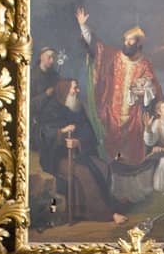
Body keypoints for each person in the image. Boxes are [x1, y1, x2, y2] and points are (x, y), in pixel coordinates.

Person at [34, 78, 125, 223]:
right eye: (74, 88)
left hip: (79, 154)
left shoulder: (77, 107)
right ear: (65, 90)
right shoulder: (51, 108)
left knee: (103, 167)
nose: (78, 91)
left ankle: (94, 207)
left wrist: (78, 142)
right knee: (83, 173)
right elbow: (42, 133)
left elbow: (89, 133)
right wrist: (61, 132)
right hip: (57, 158)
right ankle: (106, 214)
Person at [75, 7, 159, 163]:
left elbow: (153, 89)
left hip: (134, 118)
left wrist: (144, 91)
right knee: (112, 154)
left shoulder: (145, 64)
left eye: (130, 41)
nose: (126, 44)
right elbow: (97, 48)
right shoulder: (115, 56)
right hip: (112, 113)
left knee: (132, 154)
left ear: (138, 44)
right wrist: (83, 27)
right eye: (125, 41)